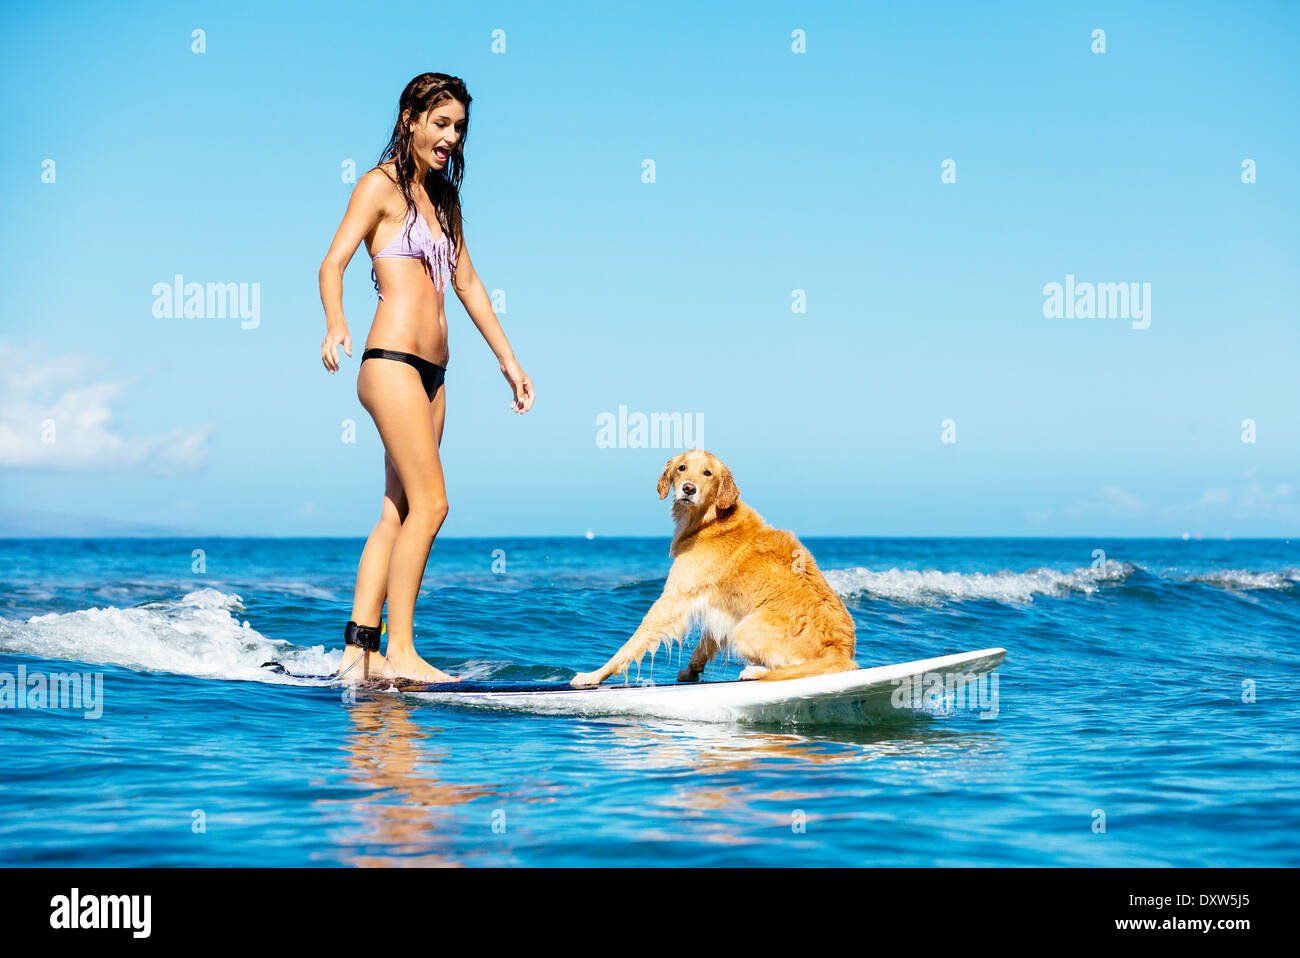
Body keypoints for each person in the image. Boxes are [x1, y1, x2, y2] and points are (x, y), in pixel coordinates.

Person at [318, 72, 534, 683]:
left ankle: (358, 653)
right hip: (389, 363)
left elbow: (467, 285)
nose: (451, 137)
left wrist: (509, 361)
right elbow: (331, 262)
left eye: (460, 128)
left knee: (399, 510)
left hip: (435, 373)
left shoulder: (444, 199)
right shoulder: (378, 186)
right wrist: (336, 322)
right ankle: (403, 652)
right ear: (411, 119)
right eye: (441, 123)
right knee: (434, 504)